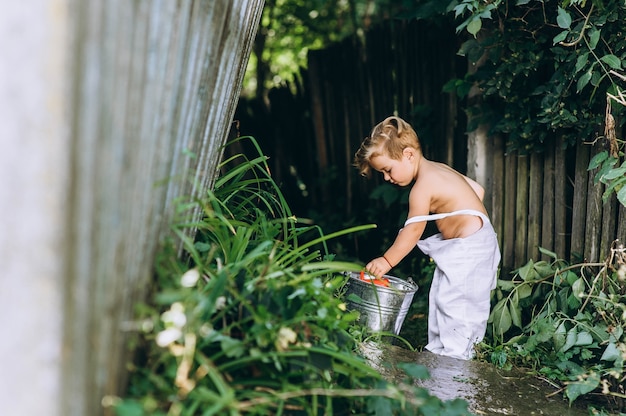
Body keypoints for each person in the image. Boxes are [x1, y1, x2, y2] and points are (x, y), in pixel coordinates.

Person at [353, 115, 501, 360]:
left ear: (409, 155)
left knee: (458, 305)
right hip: (467, 243)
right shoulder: (439, 169)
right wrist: (458, 218)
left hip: (469, 248)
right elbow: (477, 190)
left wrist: (387, 262)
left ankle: (457, 358)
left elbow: (412, 231)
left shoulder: (422, 187)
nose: (387, 178)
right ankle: (440, 352)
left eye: (388, 170)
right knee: (443, 297)